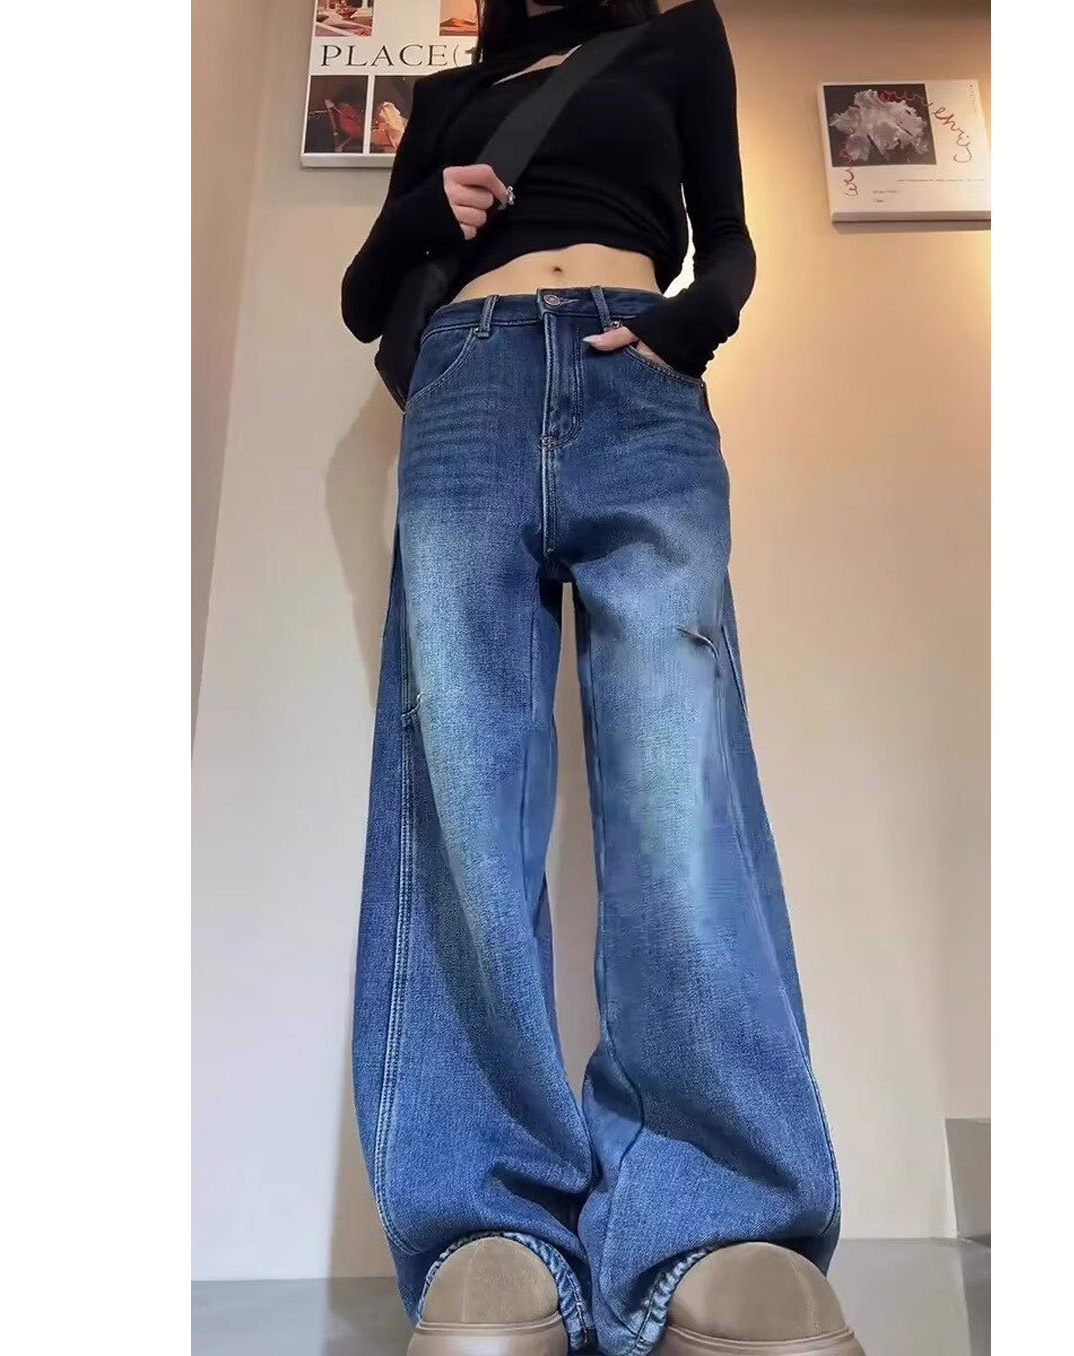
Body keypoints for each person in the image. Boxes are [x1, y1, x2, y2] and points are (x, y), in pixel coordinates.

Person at [340, 3, 858, 1354]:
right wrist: (424, 213)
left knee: (678, 791)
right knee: (463, 794)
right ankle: (488, 1223)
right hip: (466, 388)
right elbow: (363, 296)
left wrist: (695, 326)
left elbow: (726, 238)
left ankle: (716, 1216)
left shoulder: (677, 40)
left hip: (638, 383)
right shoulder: (449, 90)